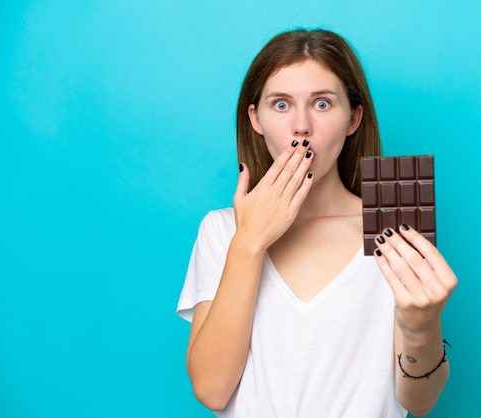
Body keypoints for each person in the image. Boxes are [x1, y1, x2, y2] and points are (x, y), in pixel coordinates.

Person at [177, 28, 457, 417]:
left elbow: (419, 403)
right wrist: (250, 242)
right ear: (255, 119)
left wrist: (422, 326)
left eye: (322, 104)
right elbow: (212, 390)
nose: (302, 126)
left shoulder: (393, 225)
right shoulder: (222, 230)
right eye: (281, 105)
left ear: (353, 118)